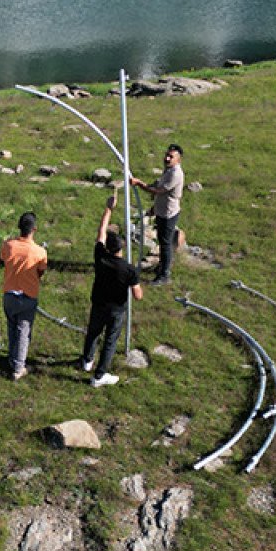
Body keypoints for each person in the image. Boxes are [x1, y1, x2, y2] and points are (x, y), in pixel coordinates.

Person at [80, 190, 142, 387]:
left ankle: (87, 361)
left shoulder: (100, 257)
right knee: (110, 340)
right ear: (122, 247)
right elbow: (137, 295)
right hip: (116, 309)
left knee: (93, 332)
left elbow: (100, 232)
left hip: (98, 303)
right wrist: (136, 285)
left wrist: (108, 209)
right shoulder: (129, 269)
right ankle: (99, 376)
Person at [0, 211, 47, 380]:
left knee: (12, 327)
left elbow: (4, 259)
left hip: (9, 294)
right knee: (24, 331)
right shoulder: (40, 252)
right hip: (28, 296)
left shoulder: (8, 245)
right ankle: (19, 368)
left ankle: (12, 359)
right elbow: (41, 272)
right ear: (34, 229)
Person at [129, 143, 184, 285]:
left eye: (171, 157)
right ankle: (162, 267)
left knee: (165, 244)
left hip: (168, 214)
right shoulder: (169, 170)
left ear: (178, 159)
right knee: (163, 242)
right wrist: (155, 208)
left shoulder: (175, 174)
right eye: (166, 155)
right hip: (162, 211)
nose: (166, 158)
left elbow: (158, 191)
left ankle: (164, 275)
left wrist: (139, 183)